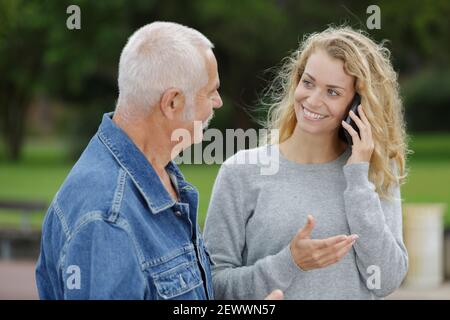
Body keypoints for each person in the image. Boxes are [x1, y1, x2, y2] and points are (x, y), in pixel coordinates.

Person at [35, 21, 283, 300]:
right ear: (172, 102)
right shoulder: (107, 220)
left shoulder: (157, 171)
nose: (218, 102)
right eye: (211, 91)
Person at [203, 26, 409, 300]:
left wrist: (358, 179)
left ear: (358, 106)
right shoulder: (241, 172)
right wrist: (290, 262)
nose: (312, 100)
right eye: (308, 82)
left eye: (333, 92)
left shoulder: (374, 172)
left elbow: (386, 280)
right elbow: (214, 286)